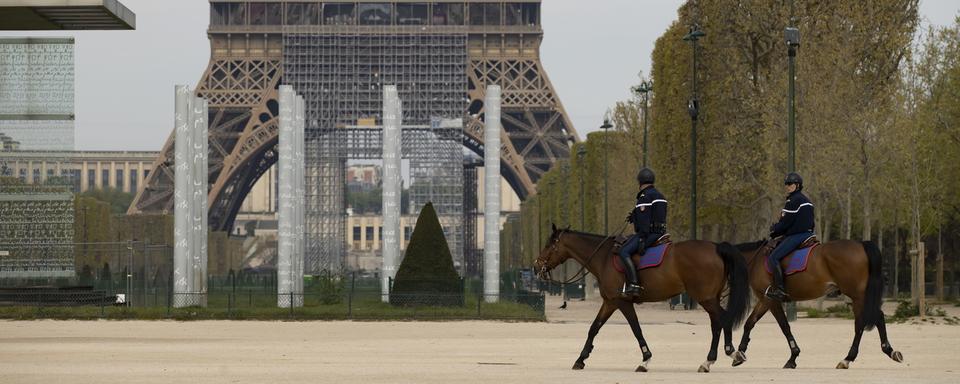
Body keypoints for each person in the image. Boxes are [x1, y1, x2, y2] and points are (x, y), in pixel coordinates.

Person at [766, 172, 815, 301]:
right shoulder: (807, 201)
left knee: (773, 258)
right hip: (809, 233)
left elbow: (786, 223)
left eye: (790, 184)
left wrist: (774, 230)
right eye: (786, 184)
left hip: (798, 235)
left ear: (797, 185)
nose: (787, 186)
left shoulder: (793, 200)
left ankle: (780, 290)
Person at [619, 167, 668, 297]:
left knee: (623, 251)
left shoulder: (644, 197)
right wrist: (634, 216)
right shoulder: (660, 195)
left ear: (640, 182)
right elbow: (654, 215)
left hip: (649, 234)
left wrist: (642, 238)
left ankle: (634, 284)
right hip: (661, 232)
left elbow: (644, 222)